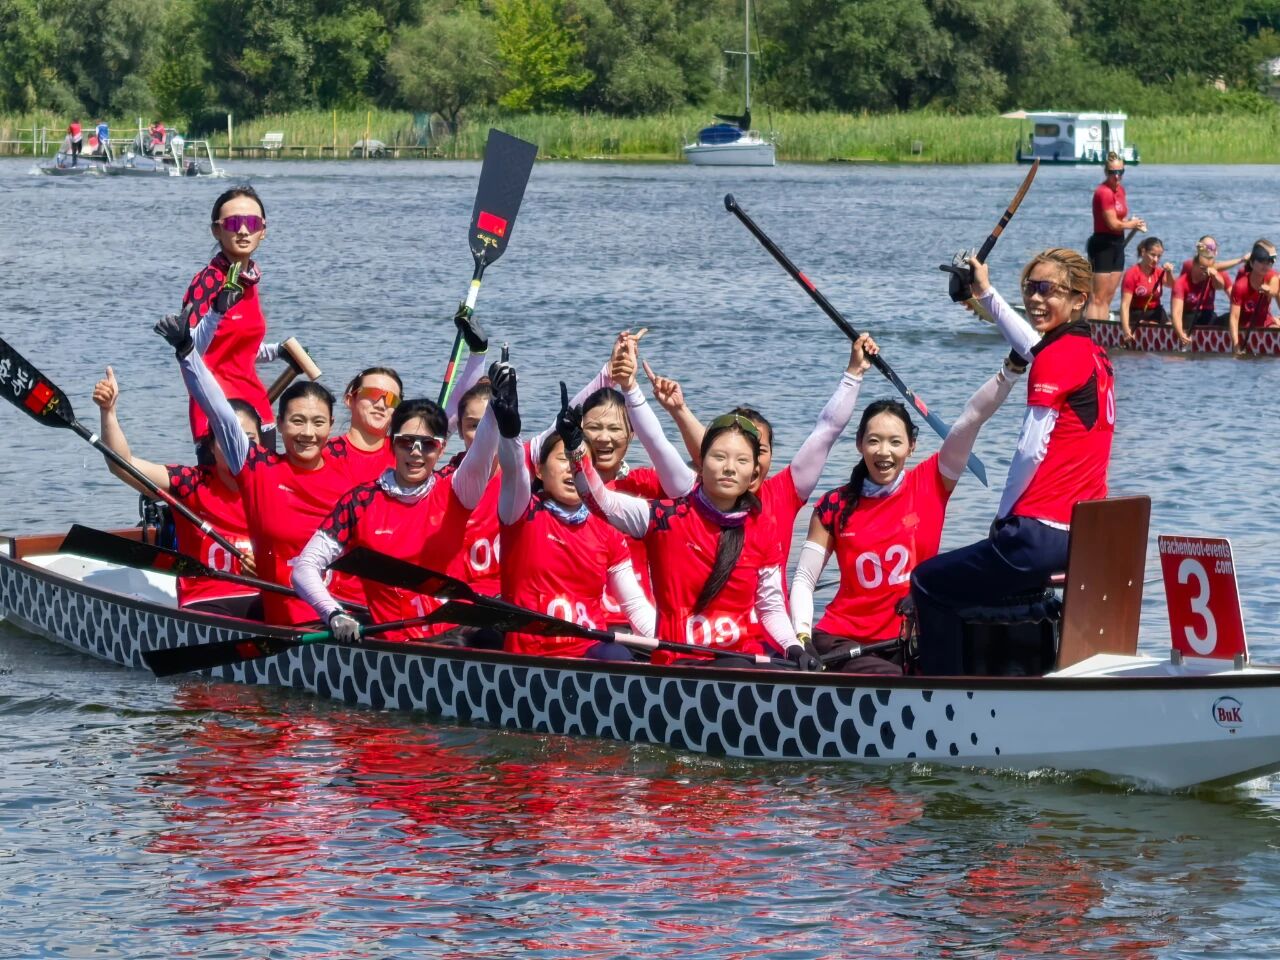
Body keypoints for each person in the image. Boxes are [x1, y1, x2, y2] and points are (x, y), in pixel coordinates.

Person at [911, 250, 1115, 676]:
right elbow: (1030, 344)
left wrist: (1004, 517)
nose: (1035, 299)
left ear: (1079, 299)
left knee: (927, 583)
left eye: (1047, 290)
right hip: (1088, 536)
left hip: (1036, 537)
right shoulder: (1093, 354)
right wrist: (985, 292)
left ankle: (942, 693)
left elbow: (1029, 451)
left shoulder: (1055, 359)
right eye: (1029, 288)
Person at [790, 338, 1020, 675]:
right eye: (873, 441)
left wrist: (1012, 369)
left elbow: (971, 419)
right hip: (843, 642)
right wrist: (802, 639)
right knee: (895, 679)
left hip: (908, 640)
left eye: (895, 442)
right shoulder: (833, 506)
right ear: (859, 445)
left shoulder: (932, 482)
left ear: (911, 447)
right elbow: (804, 579)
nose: (884, 452)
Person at [568, 399, 819, 670]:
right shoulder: (664, 518)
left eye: (742, 460)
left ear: (754, 472)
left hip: (742, 656)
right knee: (738, 668)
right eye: (719, 457)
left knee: (782, 671)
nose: (729, 468)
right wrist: (575, 449)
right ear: (701, 464)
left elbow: (771, 608)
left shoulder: (763, 528)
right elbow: (599, 501)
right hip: (681, 661)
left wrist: (794, 647)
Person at [159, 297, 361, 626]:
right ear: (278, 425)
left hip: (352, 617)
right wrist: (187, 352)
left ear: (332, 425)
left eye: (318, 422)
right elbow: (218, 410)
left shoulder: (350, 469)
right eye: (297, 421)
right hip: (293, 624)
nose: (307, 433)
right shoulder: (258, 469)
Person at [292, 381, 500, 643]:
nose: (416, 452)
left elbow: (483, 449)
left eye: (428, 444)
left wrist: (496, 406)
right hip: (394, 645)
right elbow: (304, 568)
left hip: (454, 637)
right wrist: (333, 613)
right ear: (391, 444)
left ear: (442, 449)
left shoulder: (457, 490)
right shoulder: (360, 502)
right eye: (406, 442)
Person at [494, 376, 654, 661]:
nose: (571, 469)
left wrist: (674, 645)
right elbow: (513, 470)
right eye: (562, 460)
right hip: (529, 656)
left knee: (618, 657)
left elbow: (635, 606)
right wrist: (509, 433)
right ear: (539, 470)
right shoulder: (520, 512)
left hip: (588, 650)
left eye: (577, 462)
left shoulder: (607, 528)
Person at [91, 366, 264, 618]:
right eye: (227, 439)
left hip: (267, 595)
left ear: (261, 444)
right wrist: (108, 412)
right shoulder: (191, 482)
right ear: (211, 446)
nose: (238, 447)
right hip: (208, 601)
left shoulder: (276, 482)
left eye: (249, 438)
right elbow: (123, 465)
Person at [183, 187, 277, 448]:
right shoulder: (208, 281)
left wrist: (278, 351)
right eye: (234, 223)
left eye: (252, 223)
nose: (244, 231)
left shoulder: (249, 279)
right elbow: (188, 351)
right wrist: (216, 311)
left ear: (263, 230)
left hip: (258, 409)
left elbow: (238, 350)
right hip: (216, 411)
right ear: (216, 230)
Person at [1086, 154, 1146, 321]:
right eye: (1113, 172)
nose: (1117, 176)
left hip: (1117, 244)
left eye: (1120, 172)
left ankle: (1103, 331)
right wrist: (1132, 224)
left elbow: (1120, 219)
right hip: (1102, 245)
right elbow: (1112, 224)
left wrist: (1131, 223)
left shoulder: (1121, 191)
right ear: (1106, 172)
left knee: (1108, 296)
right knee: (1097, 297)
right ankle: (1091, 330)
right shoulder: (1103, 192)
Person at [1171, 237, 1230, 344]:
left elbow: (1222, 288)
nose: (1205, 272)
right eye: (1203, 268)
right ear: (1194, 265)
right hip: (1189, 317)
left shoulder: (1215, 275)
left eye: (1208, 269)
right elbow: (1177, 312)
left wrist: (1214, 276)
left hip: (1208, 316)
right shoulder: (1181, 282)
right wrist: (1180, 334)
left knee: (1230, 318)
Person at [1228, 240, 1280, 354]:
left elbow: (1274, 291)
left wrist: (1268, 291)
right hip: (1245, 325)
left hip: (1266, 322)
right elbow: (1234, 318)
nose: (1265, 265)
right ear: (1251, 263)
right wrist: (1235, 344)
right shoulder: (1240, 285)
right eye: (1261, 261)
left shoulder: (1273, 277)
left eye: (1269, 262)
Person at [1119, 236, 1173, 343]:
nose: (1156, 260)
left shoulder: (1159, 272)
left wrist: (1169, 273)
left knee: (1171, 328)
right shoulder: (1132, 274)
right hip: (1136, 312)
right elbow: (1124, 305)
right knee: (1153, 326)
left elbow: (1172, 285)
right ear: (1143, 252)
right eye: (1152, 255)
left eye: (1159, 256)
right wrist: (1126, 330)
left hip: (1156, 311)